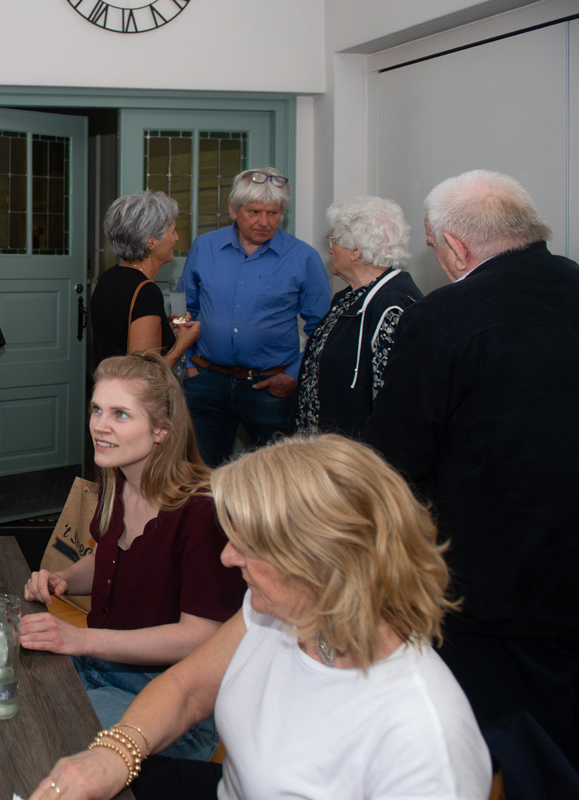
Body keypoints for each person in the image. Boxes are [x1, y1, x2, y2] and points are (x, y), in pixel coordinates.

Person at [29, 435, 491, 800]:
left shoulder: (423, 739)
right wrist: (116, 754)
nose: (228, 558)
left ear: (318, 564)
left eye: (249, 545)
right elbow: (187, 688)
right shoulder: (279, 608)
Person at [363, 170, 579, 790]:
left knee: (492, 756)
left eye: (435, 246)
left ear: (455, 247)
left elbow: (394, 458)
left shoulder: (444, 316)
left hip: (492, 589)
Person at [22, 352, 244, 761]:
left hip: (170, 701)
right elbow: (107, 559)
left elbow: (202, 636)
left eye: (120, 414)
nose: (99, 425)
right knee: (9, 693)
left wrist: (81, 638)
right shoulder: (118, 479)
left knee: (45, 739)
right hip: (99, 666)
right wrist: (64, 578)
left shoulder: (203, 511)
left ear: (162, 430)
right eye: (97, 409)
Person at [182, 167, 330, 466]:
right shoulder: (204, 247)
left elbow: (324, 329)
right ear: (233, 210)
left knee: (277, 476)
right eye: (254, 212)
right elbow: (186, 308)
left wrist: (294, 375)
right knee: (199, 474)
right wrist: (189, 363)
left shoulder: (303, 257)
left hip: (271, 388)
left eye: (273, 213)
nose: (264, 222)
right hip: (207, 382)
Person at [294, 196, 422, 437]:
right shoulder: (348, 297)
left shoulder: (391, 306)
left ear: (356, 251)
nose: (330, 248)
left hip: (355, 453)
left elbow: (391, 401)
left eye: (334, 240)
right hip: (327, 446)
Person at [88, 191, 199, 370]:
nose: (177, 238)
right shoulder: (146, 292)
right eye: (172, 232)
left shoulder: (108, 277)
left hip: (106, 383)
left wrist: (163, 327)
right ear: (151, 242)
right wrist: (183, 344)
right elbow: (144, 374)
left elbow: (119, 335)